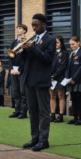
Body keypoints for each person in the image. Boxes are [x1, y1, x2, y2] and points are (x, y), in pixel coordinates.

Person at [21, 13, 56, 151]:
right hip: (29, 79)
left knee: (43, 112)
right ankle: (34, 137)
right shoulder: (33, 38)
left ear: (43, 24)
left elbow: (47, 58)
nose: (33, 28)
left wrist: (32, 48)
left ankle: (43, 140)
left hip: (41, 80)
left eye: (36, 25)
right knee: (33, 111)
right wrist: (23, 49)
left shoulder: (50, 40)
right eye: (32, 25)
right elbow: (26, 59)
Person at [66, 36, 81, 126]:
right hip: (71, 81)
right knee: (73, 99)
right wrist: (68, 78)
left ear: (78, 43)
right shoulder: (71, 54)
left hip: (79, 81)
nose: (71, 46)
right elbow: (68, 67)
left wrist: (74, 79)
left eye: (73, 44)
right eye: (70, 44)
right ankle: (75, 118)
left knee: (79, 99)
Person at [8, 24, 28, 119]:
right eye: (17, 28)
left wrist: (20, 70)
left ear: (24, 31)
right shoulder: (14, 42)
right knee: (16, 92)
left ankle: (23, 112)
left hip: (22, 71)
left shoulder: (27, 42)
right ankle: (17, 110)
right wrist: (11, 68)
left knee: (23, 92)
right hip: (13, 70)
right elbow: (10, 56)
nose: (18, 30)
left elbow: (26, 59)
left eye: (20, 28)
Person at [50, 36, 68, 123]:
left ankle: (60, 116)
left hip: (60, 78)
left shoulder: (64, 53)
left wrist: (54, 76)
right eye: (55, 42)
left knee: (61, 96)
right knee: (52, 96)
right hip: (51, 78)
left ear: (61, 43)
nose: (56, 44)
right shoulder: (51, 52)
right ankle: (52, 114)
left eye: (57, 42)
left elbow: (63, 66)